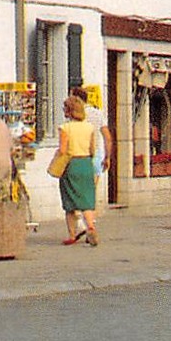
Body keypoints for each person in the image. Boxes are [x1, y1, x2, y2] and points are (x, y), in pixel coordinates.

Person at [70, 85, 114, 238]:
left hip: (80, 156)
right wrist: (107, 157)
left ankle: (81, 223)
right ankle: (90, 223)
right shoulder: (97, 113)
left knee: (75, 192)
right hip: (97, 157)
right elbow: (107, 137)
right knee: (90, 193)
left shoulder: (75, 115)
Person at [56, 95, 100, 244]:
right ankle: (91, 228)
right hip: (86, 163)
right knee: (86, 200)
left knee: (69, 202)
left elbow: (62, 150)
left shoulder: (65, 128)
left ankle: (72, 235)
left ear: (69, 111)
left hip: (71, 164)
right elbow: (93, 149)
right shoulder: (89, 127)